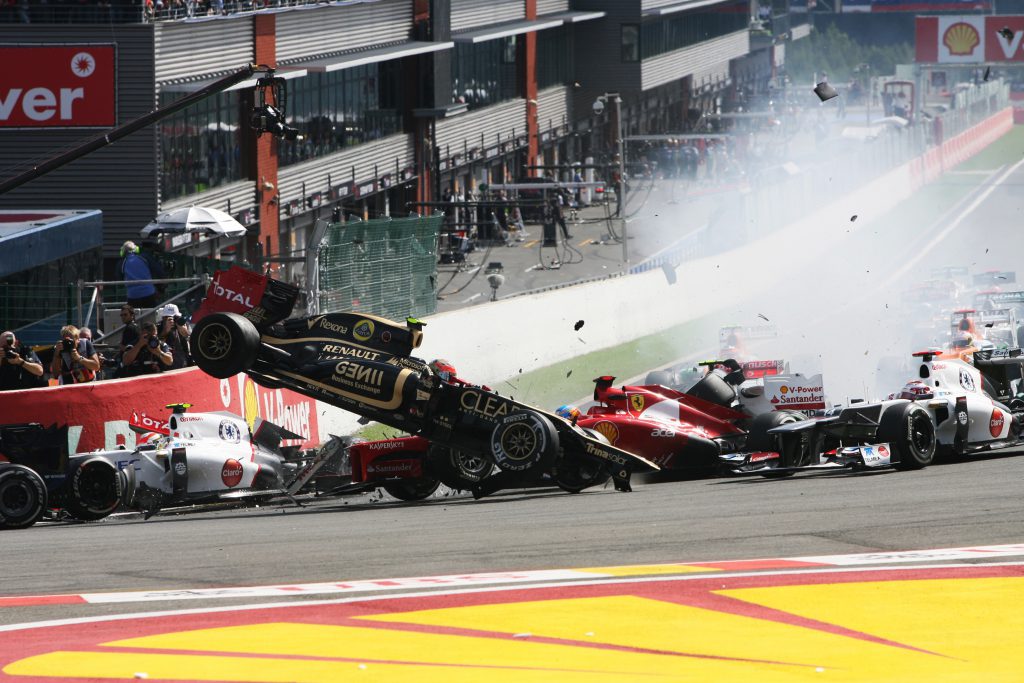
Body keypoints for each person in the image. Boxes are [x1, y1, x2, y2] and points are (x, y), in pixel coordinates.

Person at [120, 241, 158, 309]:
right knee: (152, 317)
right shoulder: (144, 258)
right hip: (149, 293)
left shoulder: (122, 263)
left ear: (123, 251)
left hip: (132, 295)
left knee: (134, 318)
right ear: (136, 249)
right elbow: (157, 270)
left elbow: (119, 277)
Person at [156, 303, 191, 370]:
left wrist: (185, 333)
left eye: (175, 318)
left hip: (184, 364)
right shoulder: (159, 327)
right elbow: (154, 344)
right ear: (163, 318)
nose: (173, 321)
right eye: (169, 318)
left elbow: (194, 342)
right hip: (166, 366)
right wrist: (165, 331)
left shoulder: (183, 324)